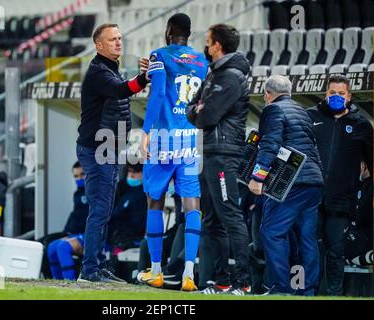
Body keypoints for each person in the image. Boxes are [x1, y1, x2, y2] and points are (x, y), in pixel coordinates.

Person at [136, 13, 208, 292]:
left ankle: (155, 271)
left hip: (164, 138)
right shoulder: (202, 60)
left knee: (155, 201)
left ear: (168, 31)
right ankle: (189, 274)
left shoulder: (160, 54)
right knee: (192, 205)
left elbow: (156, 95)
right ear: (188, 34)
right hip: (191, 139)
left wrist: (145, 131)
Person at [76, 23, 149, 282]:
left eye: (120, 38)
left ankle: (97, 264)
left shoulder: (111, 69)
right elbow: (121, 90)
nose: (118, 42)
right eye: (112, 39)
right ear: (98, 45)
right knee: (100, 210)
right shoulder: (98, 71)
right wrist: (143, 79)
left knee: (103, 210)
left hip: (108, 148)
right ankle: (89, 271)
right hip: (99, 149)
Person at [187, 23, 252, 295]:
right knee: (212, 219)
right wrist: (198, 109)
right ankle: (220, 279)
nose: (205, 45)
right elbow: (192, 108)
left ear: (217, 45)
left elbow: (206, 115)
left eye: (208, 41)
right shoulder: (215, 74)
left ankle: (243, 281)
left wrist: (199, 110)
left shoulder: (231, 76)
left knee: (230, 217)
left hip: (224, 153)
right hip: (211, 151)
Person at [248, 75, 324, 296]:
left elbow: (270, 144)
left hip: (291, 181)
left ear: (268, 94)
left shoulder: (272, 110)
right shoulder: (303, 111)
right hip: (313, 181)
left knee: (272, 232)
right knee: (306, 237)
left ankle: (280, 288)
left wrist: (258, 177)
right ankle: (306, 289)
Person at [307, 74, 373, 296]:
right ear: (326, 94)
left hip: (342, 200)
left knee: (335, 249)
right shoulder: (310, 117)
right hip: (311, 196)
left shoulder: (361, 125)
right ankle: (309, 291)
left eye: (341, 94)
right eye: (332, 93)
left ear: (349, 96)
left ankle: (333, 293)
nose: (336, 97)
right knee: (310, 246)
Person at [46, 162, 90, 281]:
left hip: (91, 235)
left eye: (82, 175)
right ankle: (57, 281)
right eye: (76, 176)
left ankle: (69, 283)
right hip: (78, 234)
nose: (79, 179)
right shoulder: (77, 194)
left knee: (63, 247)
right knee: (51, 247)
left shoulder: (95, 192)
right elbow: (76, 216)